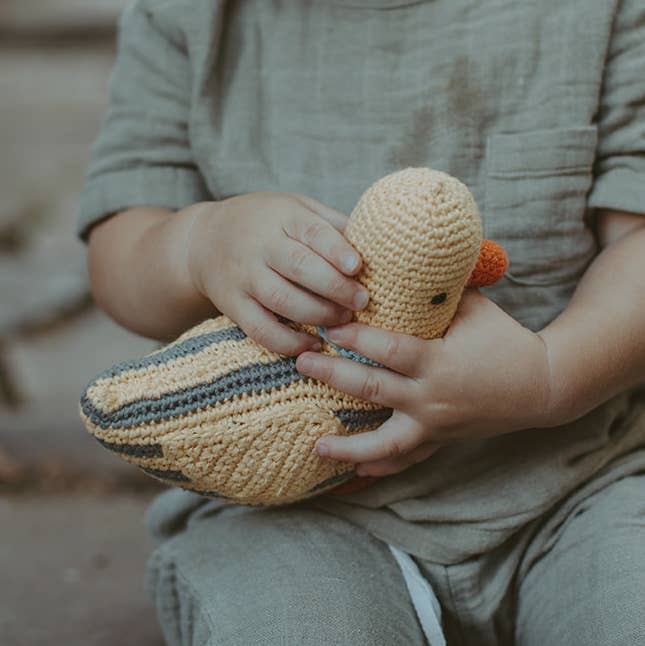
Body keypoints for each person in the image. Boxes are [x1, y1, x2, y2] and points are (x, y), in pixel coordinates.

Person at [77, 1, 645, 644]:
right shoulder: (191, 15)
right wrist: (197, 244)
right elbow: (119, 246)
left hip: (573, 485)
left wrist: (552, 377)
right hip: (288, 509)